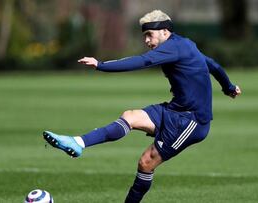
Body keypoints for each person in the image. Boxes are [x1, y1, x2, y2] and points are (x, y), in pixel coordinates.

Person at [43, 10, 241, 203]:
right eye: (144, 35)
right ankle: (78, 143)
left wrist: (101, 65)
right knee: (129, 116)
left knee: (146, 162)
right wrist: (229, 87)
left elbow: (143, 61)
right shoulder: (184, 44)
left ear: (165, 32)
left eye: (149, 35)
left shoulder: (174, 48)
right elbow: (212, 64)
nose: (146, 40)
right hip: (174, 110)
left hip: (192, 120)